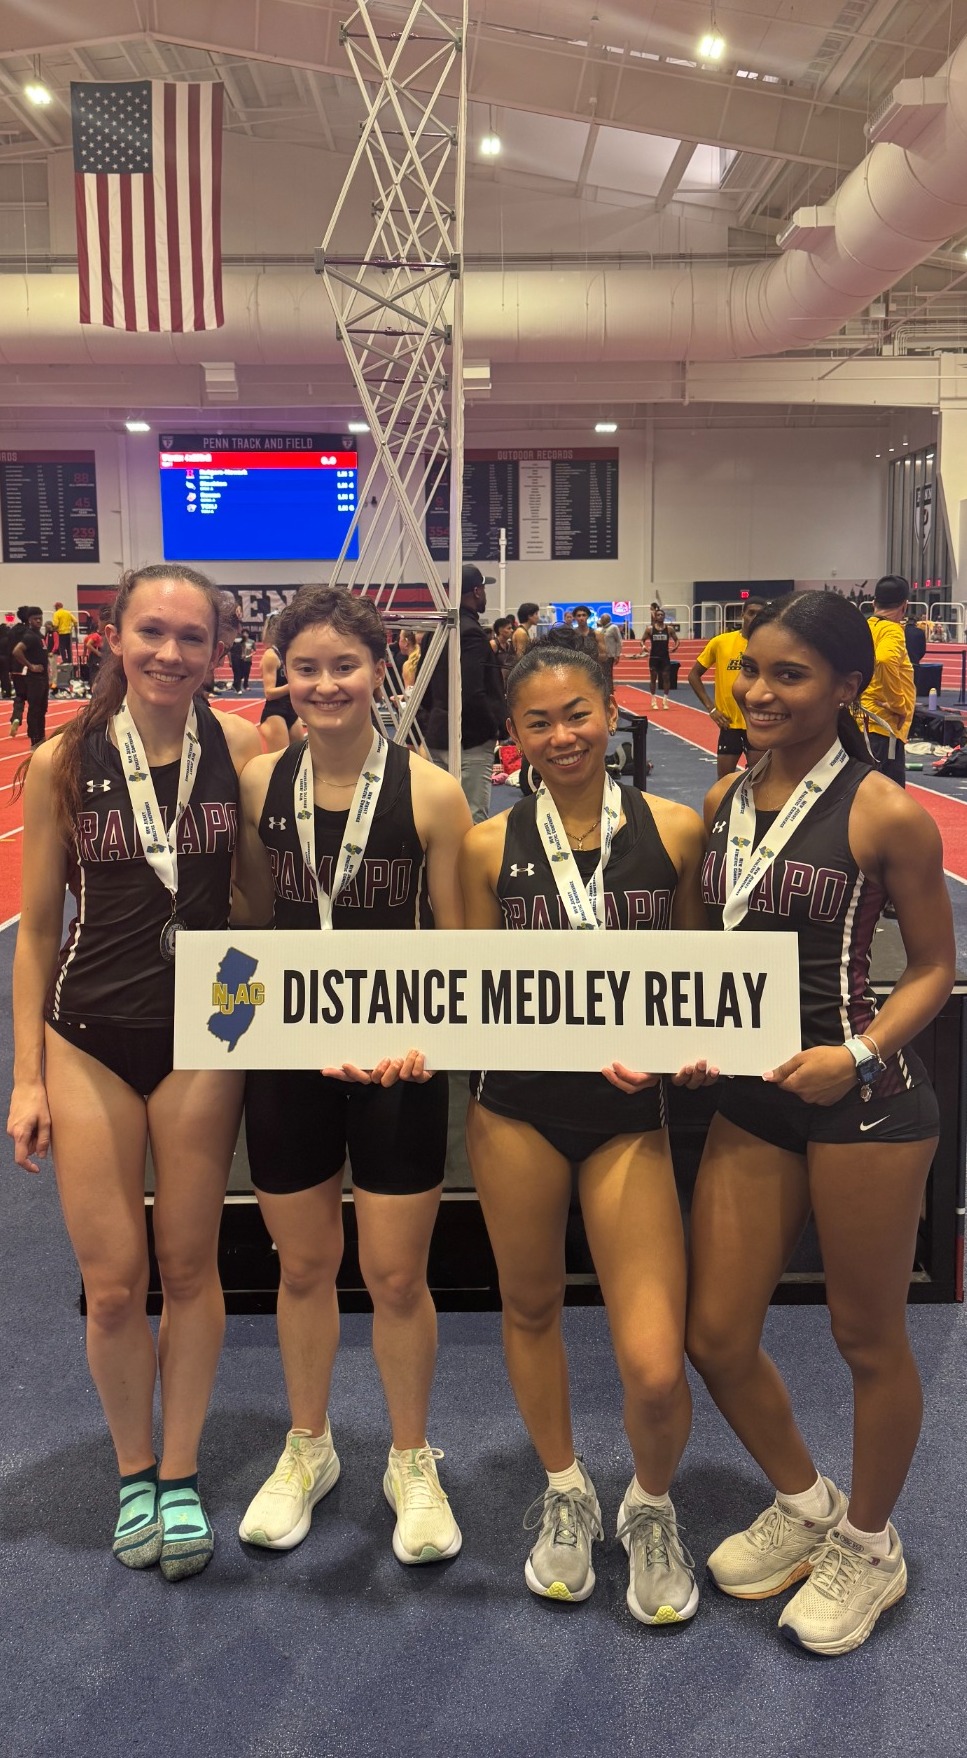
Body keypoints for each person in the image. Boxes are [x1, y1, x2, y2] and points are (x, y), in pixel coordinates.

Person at [687, 590, 954, 1656]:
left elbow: (937, 967)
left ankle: (870, 1544)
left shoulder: (883, 808)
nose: (756, 690)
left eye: (787, 675)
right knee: (715, 1334)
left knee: (865, 1336)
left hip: (866, 1106)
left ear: (846, 687)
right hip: (751, 1100)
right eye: (751, 669)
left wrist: (853, 1054)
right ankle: (804, 1505)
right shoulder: (720, 802)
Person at [6, 563, 261, 1581]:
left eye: (190, 638)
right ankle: (133, 1469)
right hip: (87, 1033)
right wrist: (26, 1075)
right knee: (113, 1288)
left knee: (191, 1268)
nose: (169, 653)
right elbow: (35, 933)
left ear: (216, 651)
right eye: (150, 632)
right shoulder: (62, 762)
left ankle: (186, 1473)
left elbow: (260, 907)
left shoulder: (241, 747)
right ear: (114, 636)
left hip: (203, 1032)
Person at [459, 637, 712, 1623]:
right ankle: (565, 1490)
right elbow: (464, 995)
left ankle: (649, 1503)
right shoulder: (486, 846)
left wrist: (693, 1041)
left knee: (652, 1361)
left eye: (577, 713)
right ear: (512, 736)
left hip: (624, 1119)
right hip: (514, 1105)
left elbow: (703, 982)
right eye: (537, 721)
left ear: (613, 712)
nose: (561, 734)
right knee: (530, 1311)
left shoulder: (676, 831)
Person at [235, 585, 472, 1564]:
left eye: (345, 665)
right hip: (290, 1058)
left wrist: (431, 1038)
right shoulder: (258, 786)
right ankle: (309, 1446)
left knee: (395, 1274)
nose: (326, 684)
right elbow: (247, 932)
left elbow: (459, 947)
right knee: (301, 1266)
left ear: (383, 670)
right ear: (280, 676)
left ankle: (410, 1457)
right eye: (307, 668)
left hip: (394, 1062)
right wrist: (270, 1031)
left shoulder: (432, 792)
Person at [418, 563, 506, 824]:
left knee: (439, 819)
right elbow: (470, 692)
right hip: (469, 739)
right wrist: (494, 728)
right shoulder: (471, 634)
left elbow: (423, 686)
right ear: (477, 591)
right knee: (473, 819)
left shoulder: (437, 631)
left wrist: (428, 722)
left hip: (438, 734)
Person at [688, 599, 765, 775]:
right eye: (751, 613)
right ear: (742, 615)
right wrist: (712, 708)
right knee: (724, 785)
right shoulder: (721, 642)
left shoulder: (769, 646)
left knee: (759, 782)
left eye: (759, 614)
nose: (754, 618)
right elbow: (693, 675)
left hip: (757, 722)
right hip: (729, 725)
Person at [860, 576, 915, 787]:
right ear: (904, 606)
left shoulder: (865, 627)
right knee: (888, 794)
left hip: (861, 722)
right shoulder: (892, 630)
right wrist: (898, 705)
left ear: (874, 603)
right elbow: (885, 659)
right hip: (883, 726)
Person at [259, 612, 302, 753]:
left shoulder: (289, 653)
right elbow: (269, 693)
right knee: (281, 760)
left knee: (299, 755)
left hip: (291, 709)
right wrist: (292, 685)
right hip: (275, 711)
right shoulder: (271, 655)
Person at [11, 607, 49, 748]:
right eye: (35, 618)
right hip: (34, 679)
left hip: (43, 678)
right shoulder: (30, 636)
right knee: (35, 709)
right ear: (29, 620)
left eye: (40, 618)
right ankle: (35, 739)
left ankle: (41, 737)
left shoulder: (39, 635)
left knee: (42, 709)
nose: (38, 621)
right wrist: (31, 666)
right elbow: (17, 651)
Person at [596, 611, 622, 695]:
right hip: (601, 655)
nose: (601, 620)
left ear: (607, 619)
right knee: (602, 674)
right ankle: (604, 692)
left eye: (602, 619)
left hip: (609, 655)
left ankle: (610, 693)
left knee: (607, 674)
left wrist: (617, 655)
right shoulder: (601, 629)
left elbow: (619, 641)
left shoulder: (613, 627)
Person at [51, 601, 79, 666]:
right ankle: (70, 660)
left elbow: (56, 624)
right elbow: (75, 621)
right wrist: (75, 630)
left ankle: (65, 660)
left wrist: (53, 630)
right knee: (68, 648)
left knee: (62, 647)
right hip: (69, 633)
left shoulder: (56, 613)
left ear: (57, 607)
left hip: (61, 633)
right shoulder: (68, 612)